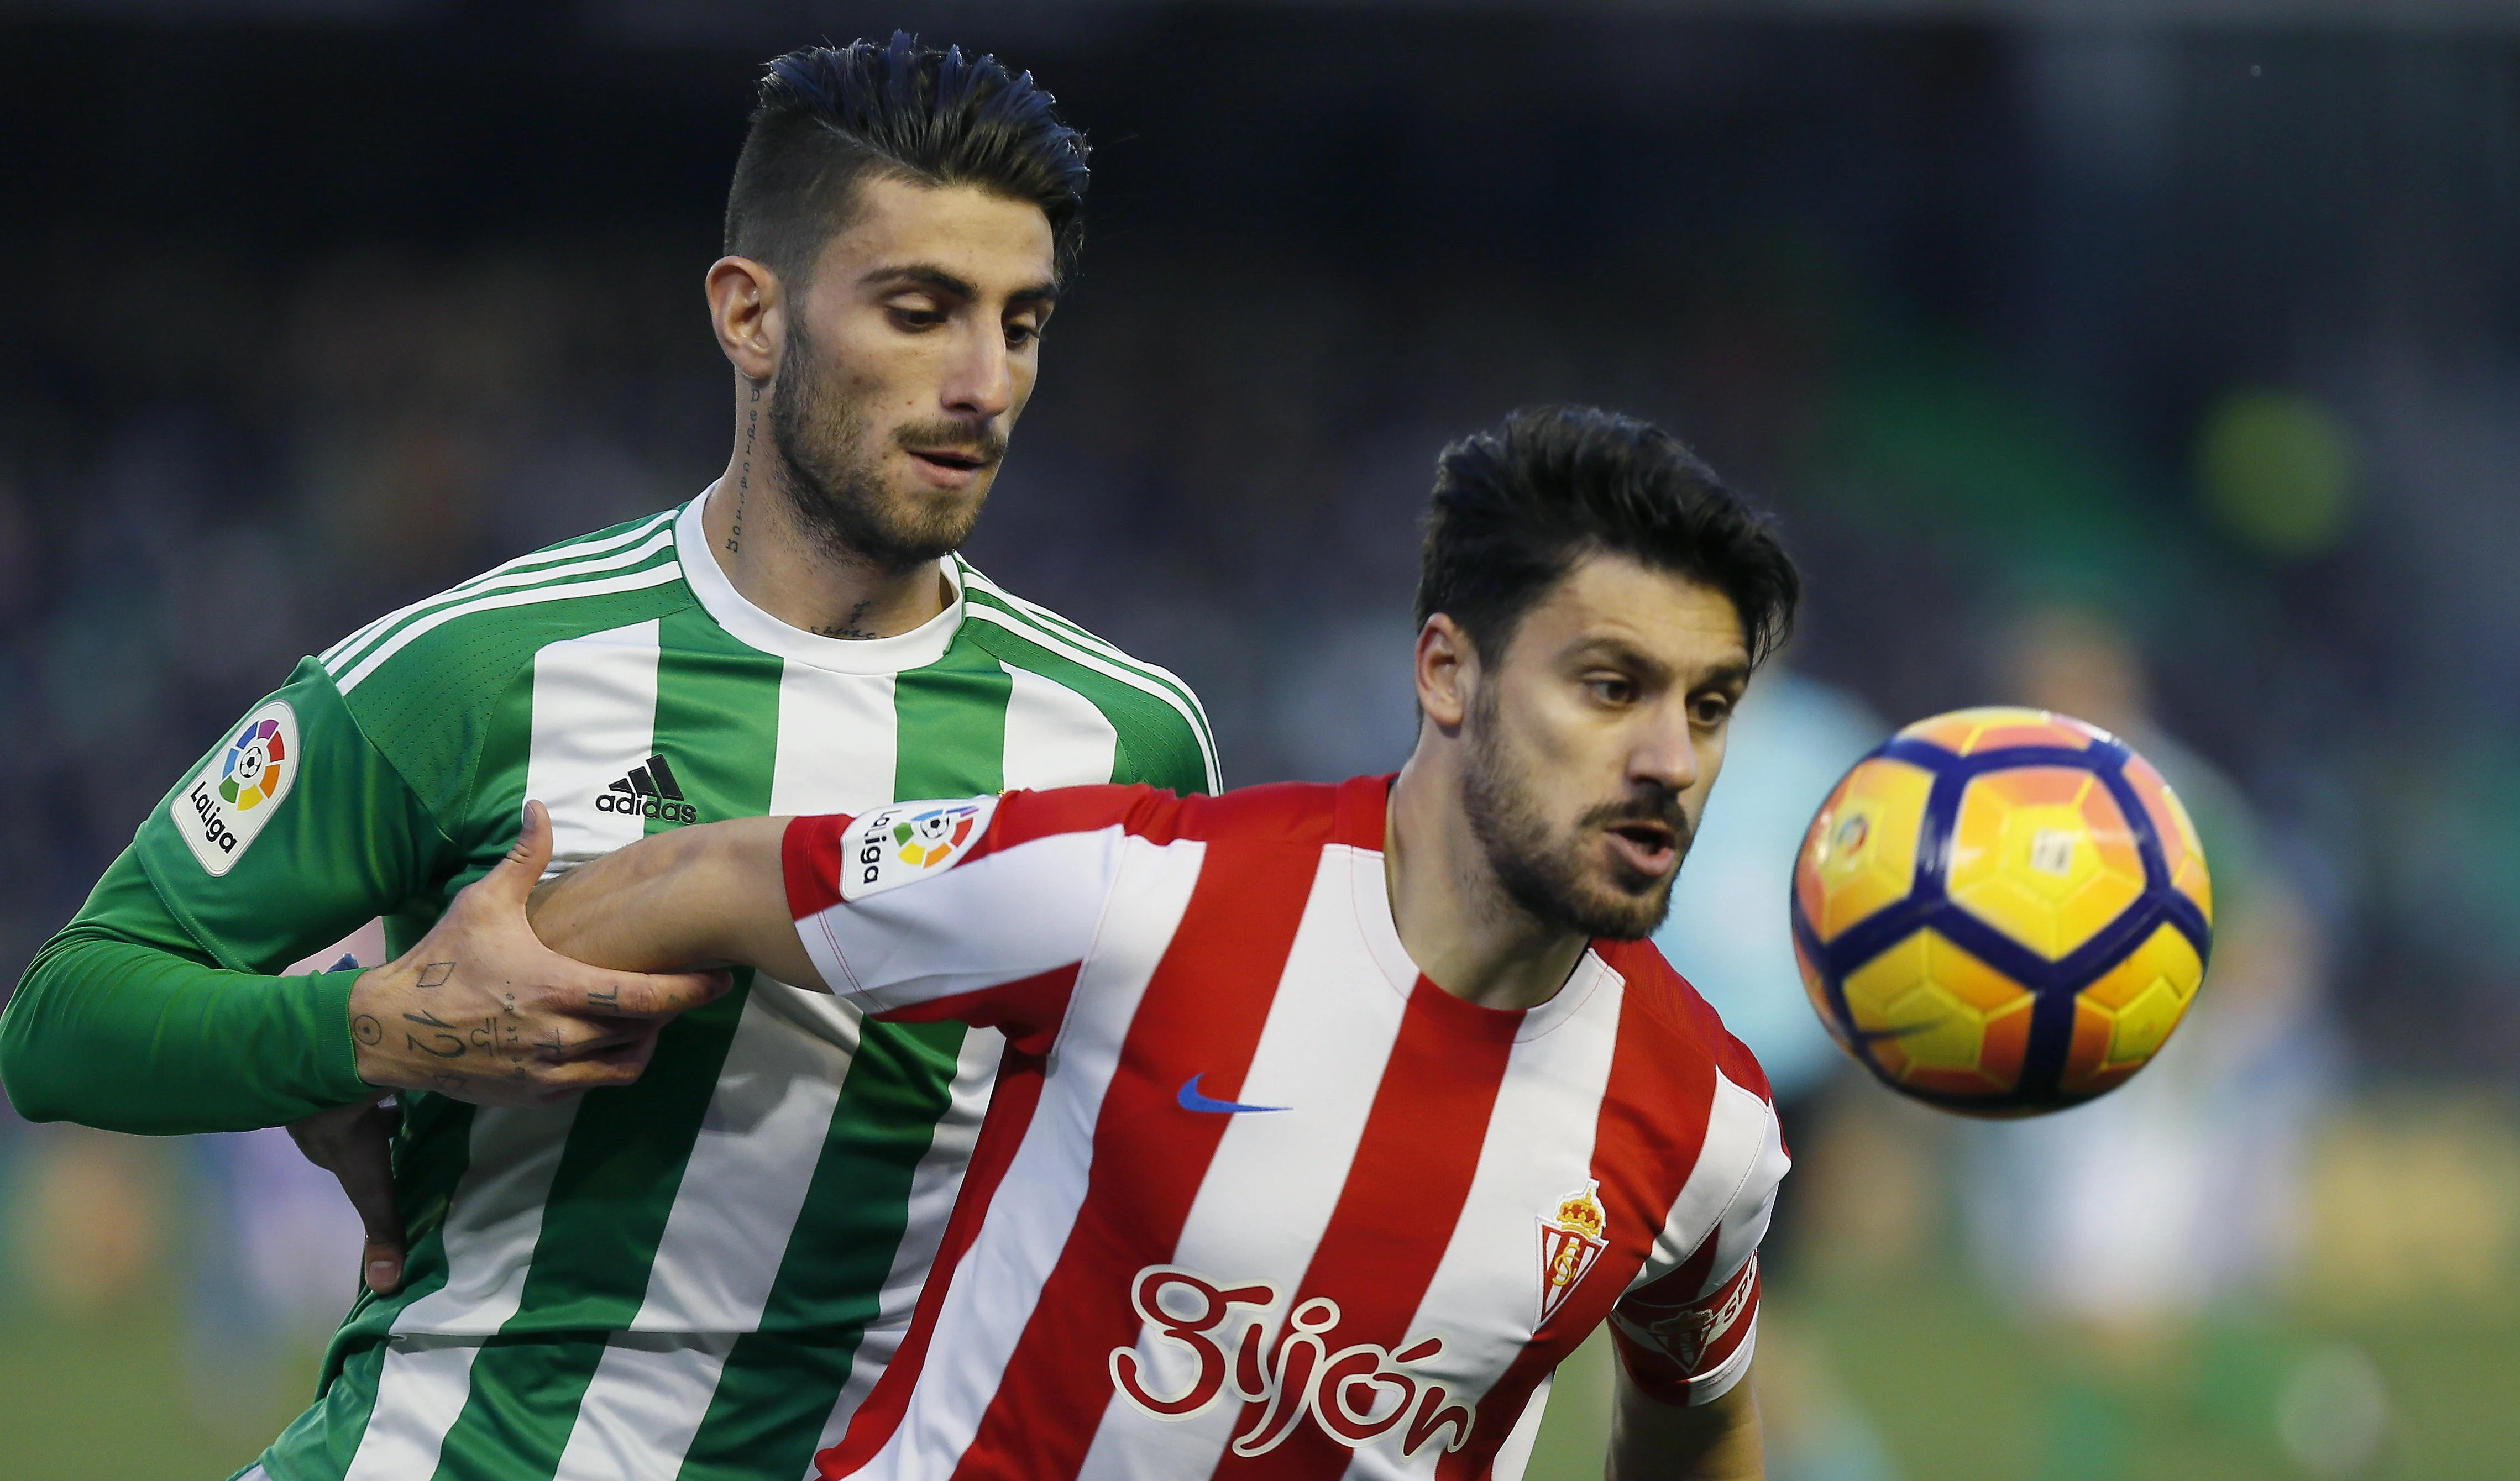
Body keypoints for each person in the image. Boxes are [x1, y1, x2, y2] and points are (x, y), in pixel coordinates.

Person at [0, 35, 1217, 1481]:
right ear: (749, 316)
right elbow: (62, 1018)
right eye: (918, 309)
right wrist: (366, 1033)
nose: (982, 383)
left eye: (1020, 323)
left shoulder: (1127, 742)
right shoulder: (473, 671)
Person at [509, 405, 1799, 1479]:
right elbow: (704, 869)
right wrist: (396, 1047)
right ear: (1447, 673)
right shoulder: (1144, 891)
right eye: (1612, 687)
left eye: (1712, 704)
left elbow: (1698, 1414)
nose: (1671, 760)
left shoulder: (1705, 1125)